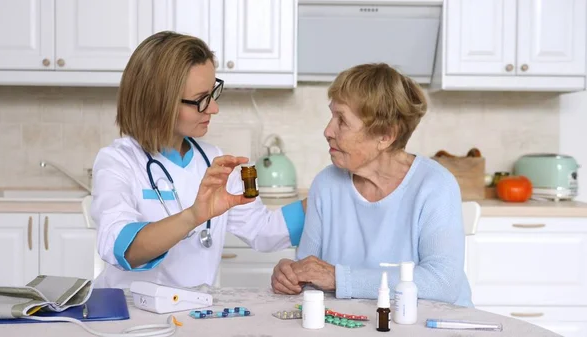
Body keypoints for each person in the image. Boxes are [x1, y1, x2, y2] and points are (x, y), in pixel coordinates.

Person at [89, 31, 306, 289]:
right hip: (131, 316)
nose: (213, 108)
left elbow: (263, 230)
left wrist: (328, 193)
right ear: (159, 102)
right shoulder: (118, 161)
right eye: (201, 100)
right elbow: (119, 247)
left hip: (193, 315)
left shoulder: (213, 160)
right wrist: (193, 216)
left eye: (213, 93)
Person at [270, 63, 473, 307]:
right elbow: (309, 273)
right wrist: (291, 275)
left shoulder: (435, 186)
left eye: (342, 120)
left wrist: (338, 278)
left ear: (385, 136)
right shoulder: (326, 184)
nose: (328, 130)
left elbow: (443, 282)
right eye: (331, 115)